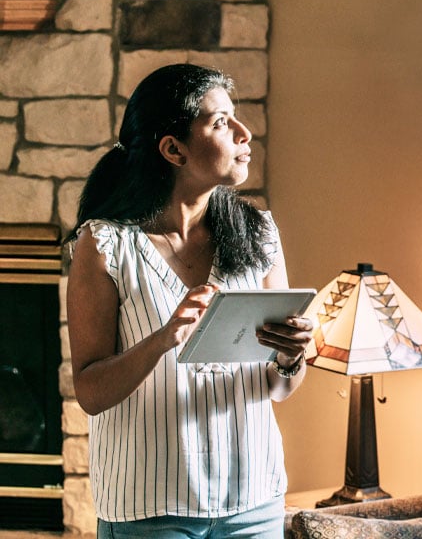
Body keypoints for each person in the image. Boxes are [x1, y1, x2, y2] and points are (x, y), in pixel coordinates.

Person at [65, 63, 311, 538]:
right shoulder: (106, 245)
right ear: (173, 149)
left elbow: (280, 387)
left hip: (254, 501)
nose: (244, 133)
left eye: (235, 117)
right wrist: (164, 338)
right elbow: (91, 393)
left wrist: (289, 356)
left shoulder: (258, 233)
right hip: (149, 507)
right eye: (220, 122)